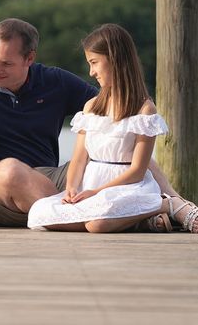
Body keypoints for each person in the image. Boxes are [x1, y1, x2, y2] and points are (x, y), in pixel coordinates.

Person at [0, 17, 196, 229]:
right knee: (10, 169)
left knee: (130, 142)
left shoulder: (55, 81)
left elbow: (118, 112)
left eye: (6, 63)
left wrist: (141, 104)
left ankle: (178, 204)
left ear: (29, 58)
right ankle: (131, 215)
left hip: (53, 178)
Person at [28, 23, 198, 233]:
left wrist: (97, 192)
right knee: (38, 213)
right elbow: (80, 158)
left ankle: (165, 204)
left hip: (127, 188)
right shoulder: (91, 107)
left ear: (115, 60)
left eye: (94, 63)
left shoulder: (145, 110)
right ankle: (144, 220)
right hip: (91, 186)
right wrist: (71, 188)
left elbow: (137, 170)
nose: (91, 72)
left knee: (97, 224)